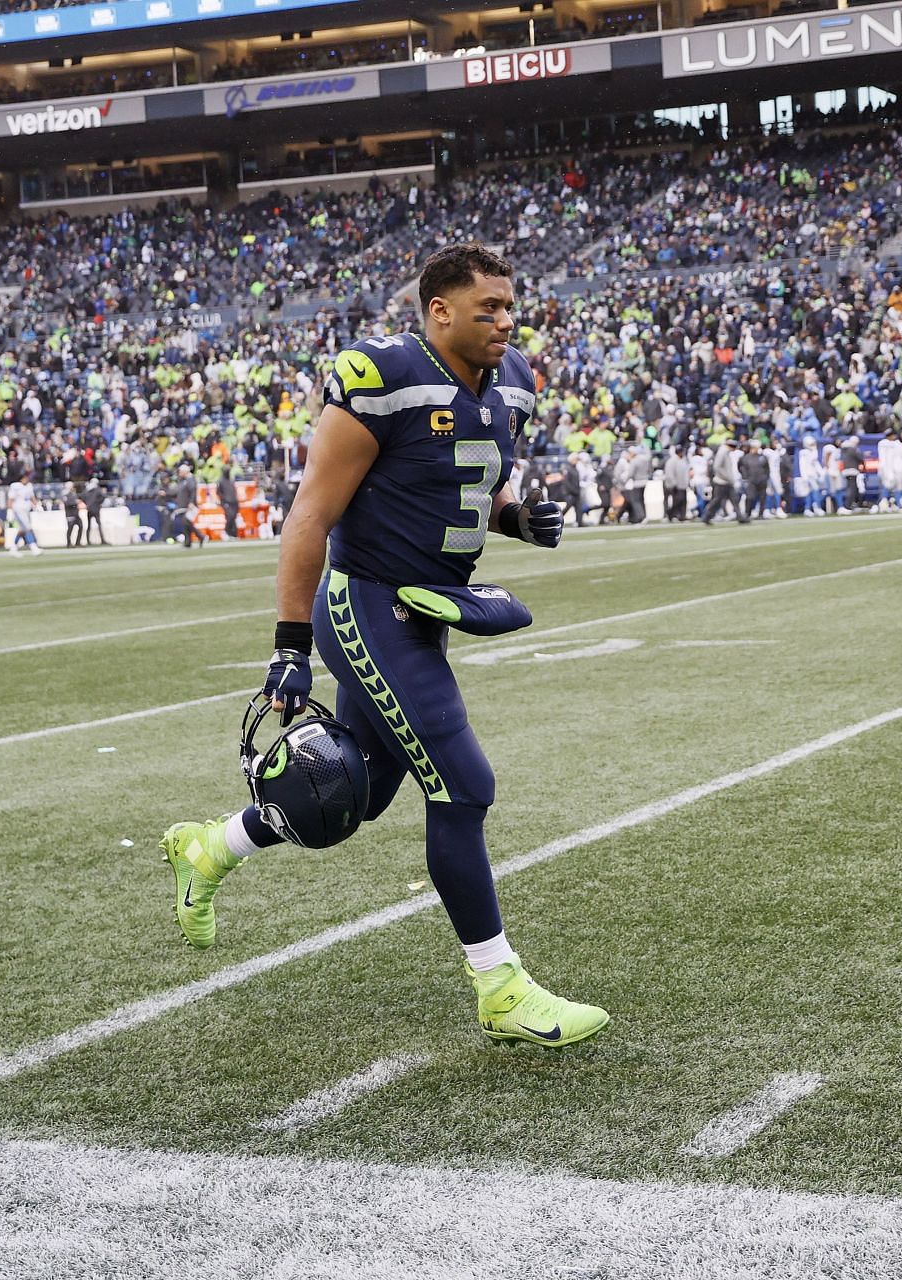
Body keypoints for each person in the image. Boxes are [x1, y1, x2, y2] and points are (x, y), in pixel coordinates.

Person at [158, 243, 607, 1047]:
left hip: (429, 605)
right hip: (366, 600)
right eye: (487, 310)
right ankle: (499, 987)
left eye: (509, 306)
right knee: (464, 787)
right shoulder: (384, 376)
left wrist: (515, 517)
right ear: (439, 312)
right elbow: (310, 516)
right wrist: (290, 646)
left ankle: (210, 849)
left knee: (355, 791)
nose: (506, 322)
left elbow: (476, 479)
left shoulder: (514, 384)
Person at [5, 475, 42, 556]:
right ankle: (33, 547)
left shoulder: (29, 486)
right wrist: (9, 510)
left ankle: (13, 548)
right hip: (18, 510)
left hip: (26, 511)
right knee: (27, 527)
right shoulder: (15, 486)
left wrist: (37, 505)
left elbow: (32, 497)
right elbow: (10, 499)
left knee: (22, 530)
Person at [83, 477, 107, 545]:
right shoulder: (97, 489)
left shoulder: (87, 489)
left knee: (89, 525)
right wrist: (98, 503)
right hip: (96, 509)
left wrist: (87, 503)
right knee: (99, 524)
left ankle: (88, 541)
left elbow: (82, 496)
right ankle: (102, 540)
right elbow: (103, 496)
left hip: (89, 509)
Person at [63, 482, 85, 548]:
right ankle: (69, 543)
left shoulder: (74, 494)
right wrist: (75, 502)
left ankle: (77, 542)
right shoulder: (65, 494)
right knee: (70, 529)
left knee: (81, 526)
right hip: (70, 514)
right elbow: (67, 503)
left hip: (76, 514)